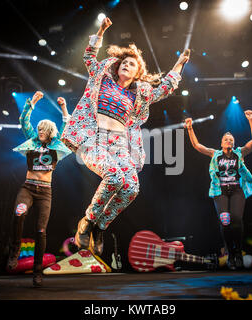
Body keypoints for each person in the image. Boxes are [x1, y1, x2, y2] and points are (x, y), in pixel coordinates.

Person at [61, 17, 189, 256]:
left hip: (120, 144)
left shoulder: (139, 93)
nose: (126, 65)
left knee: (130, 187)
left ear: (137, 72)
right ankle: (87, 222)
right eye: (124, 62)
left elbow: (165, 88)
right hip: (94, 138)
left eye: (132, 64)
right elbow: (89, 56)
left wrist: (179, 65)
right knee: (114, 176)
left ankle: (100, 226)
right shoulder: (102, 76)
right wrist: (100, 31)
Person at [7, 91, 71, 286]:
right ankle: (15, 249)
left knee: (41, 231)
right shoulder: (33, 140)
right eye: (39, 128)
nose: (40, 130)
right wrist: (32, 102)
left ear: (50, 131)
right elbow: (23, 120)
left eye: (44, 128)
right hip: (27, 188)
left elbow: (67, 127)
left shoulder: (56, 145)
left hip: (45, 192)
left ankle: (37, 272)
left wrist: (63, 108)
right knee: (19, 212)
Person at [184, 110, 252, 270]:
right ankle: (230, 253)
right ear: (221, 143)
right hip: (220, 191)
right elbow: (197, 146)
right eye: (226, 139)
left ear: (233, 143)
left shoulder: (240, 153)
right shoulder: (215, 154)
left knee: (237, 220)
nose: (228, 141)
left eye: (231, 139)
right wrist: (190, 129)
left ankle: (238, 252)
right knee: (225, 221)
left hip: (237, 190)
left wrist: (251, 120)